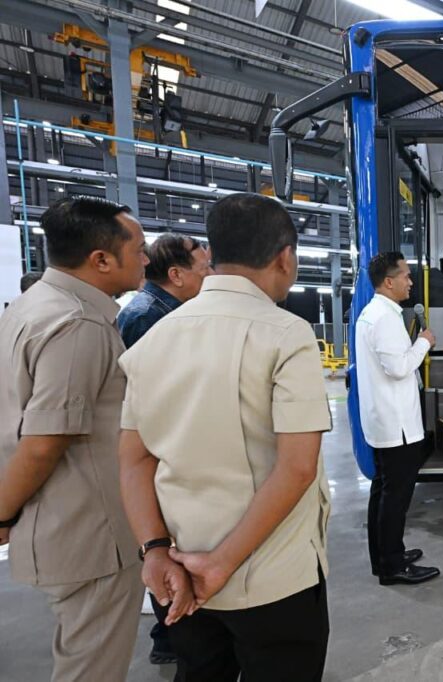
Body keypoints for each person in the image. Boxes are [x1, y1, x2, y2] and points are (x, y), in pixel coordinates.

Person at [118, 193, 333, 682]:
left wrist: (154, 550)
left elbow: (133, 459)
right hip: (272, 577)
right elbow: (297, 466)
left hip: (179, 571)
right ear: (286, 257)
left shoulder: (154, 338)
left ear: (214, 254)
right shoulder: (286, 333)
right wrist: (221, 563)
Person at [0, 196, 156, 681]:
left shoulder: (31, 306)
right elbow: (45, 441)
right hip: (90, 532)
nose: (147, 258)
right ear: (101, 259)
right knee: (92, 668)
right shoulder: (78, 324)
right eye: (139, 249)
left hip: (61, 523)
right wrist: (1, 513)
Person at [114, 232, 212, 666]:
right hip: (154, 451)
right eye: (203, 269)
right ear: (176, 274)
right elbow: (150, 402)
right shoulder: (149, 318)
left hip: (159, 448)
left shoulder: (163, 311)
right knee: (164, 545)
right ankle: (169, 634)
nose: (209, 276)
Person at [356, 251, 440, 585]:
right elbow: (399, 367)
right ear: (389, 282)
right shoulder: (385, 318)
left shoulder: (373, 313)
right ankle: (392, 566)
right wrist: (424, 343)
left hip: (385, 420)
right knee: (396, 497)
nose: (410, 281)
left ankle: (385, 555)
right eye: (405, 275)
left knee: (384, 490)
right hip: (398, 424)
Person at [118, 232, 212, 349]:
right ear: (176, 275)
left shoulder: (157, 311)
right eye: (204, 268)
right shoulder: (146, 319)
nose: (211, 274)